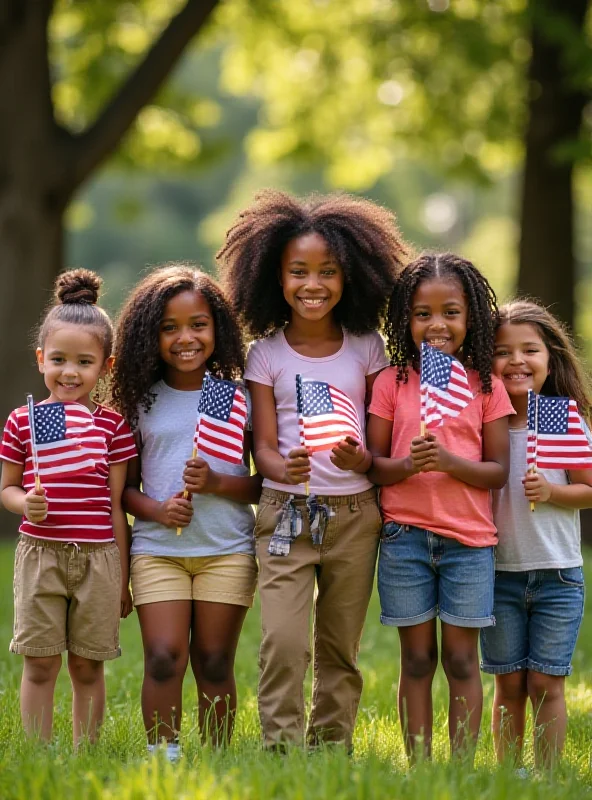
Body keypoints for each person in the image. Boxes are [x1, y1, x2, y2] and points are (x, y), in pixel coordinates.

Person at [218, 189, 407, 751]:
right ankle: (279, 746)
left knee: (339, 645)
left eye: (327, 271)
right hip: (285, 514)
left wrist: (360, 460)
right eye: (298, 271)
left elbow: (376, 445)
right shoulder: (266, 354)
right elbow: (265, 447)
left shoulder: (367, 349)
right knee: (282, 639)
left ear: (351, 276)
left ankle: (330, 745)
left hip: (354, 515)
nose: (313, 284)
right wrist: (284, 464)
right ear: (275, 278)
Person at [367, 252, 514, 760]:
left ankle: (461, 766)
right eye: (422, 313)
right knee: (417, 660)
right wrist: (409, 466)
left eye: (450, 312)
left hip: (468, 543)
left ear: (471, 316)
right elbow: (375, 466)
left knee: (461, 661)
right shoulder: (392, 383)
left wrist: (448, 461)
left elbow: (496, 469)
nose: (437, 325)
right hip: (404, 538)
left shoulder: (485, 386)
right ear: (404, 320)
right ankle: (422, 766)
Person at [111, 265, 260, 758]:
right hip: (159, 551)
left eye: (198, 324)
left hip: (226, 548)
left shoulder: (239, 397)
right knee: (162, 657)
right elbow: (124, 490)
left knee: (215, 660)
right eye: (169, 327)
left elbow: (265, 483)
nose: (185, 338)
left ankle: (217, 758)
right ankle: (164, 754)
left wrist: (218, 482)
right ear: (148, 336)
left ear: (218, 327)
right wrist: (157, 510)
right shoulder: (139, 401)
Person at [0, 269, 136, 745]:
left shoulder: (112, 427)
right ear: (41, 360)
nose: (70, 372)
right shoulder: (23, 422)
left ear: (106, 365)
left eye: (84, 361)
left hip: (98, 558)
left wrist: (123, 575)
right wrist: (25, 505)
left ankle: (86, 752)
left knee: (87, 662)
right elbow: (7, 488)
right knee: (40, 660)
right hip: (41, 555)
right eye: (58, 359)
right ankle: (39, 751)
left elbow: (116, 505)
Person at [480, 299, 592, 768]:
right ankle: (509, 775)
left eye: (530, 350)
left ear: (550, 359)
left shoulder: (565, 421)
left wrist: (550, 491)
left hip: (558, 576)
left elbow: (588, 490)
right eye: (503, 351)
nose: (517, 361)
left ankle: (545, 777)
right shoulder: (485, 425)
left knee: (546, 683)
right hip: (499, 573)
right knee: (509, 683)